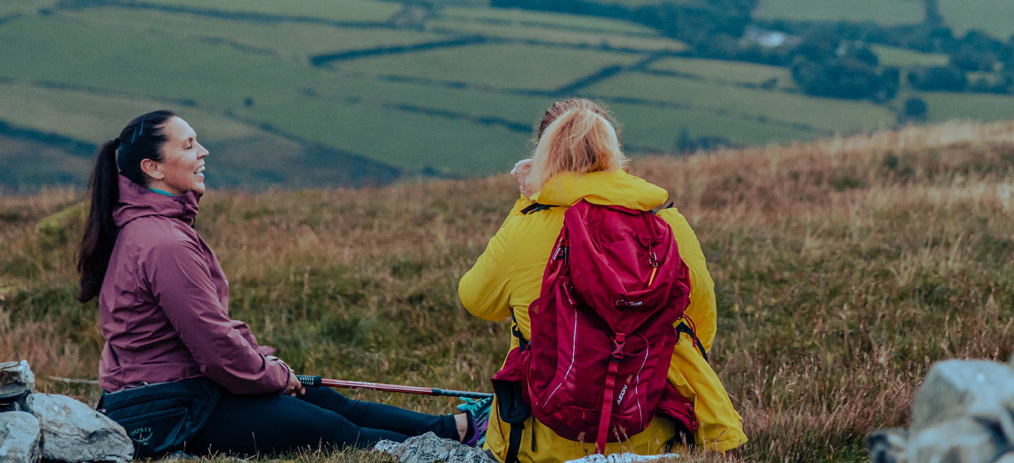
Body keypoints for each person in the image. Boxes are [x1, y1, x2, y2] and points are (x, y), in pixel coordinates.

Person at [77, 110, 485, 457]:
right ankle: (456, 457)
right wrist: (268, 375)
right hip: (168, 411)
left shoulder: (154, 229)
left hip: (186, 393)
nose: (202, 152)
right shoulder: (162, 241)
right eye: (187, 146)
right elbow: (214, 344)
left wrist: (264, 364)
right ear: (152, 167)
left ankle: (458, 428)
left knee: (329, 402)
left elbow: (208, 328)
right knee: (336, 432)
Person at [460, 99, 747, 463]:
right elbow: (700, 317)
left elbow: (475, 299)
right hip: (656, 429)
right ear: (613, 153)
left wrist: (525, 202)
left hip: (543, 440)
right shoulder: (666, 221)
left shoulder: (528, 225)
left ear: (545, 156)